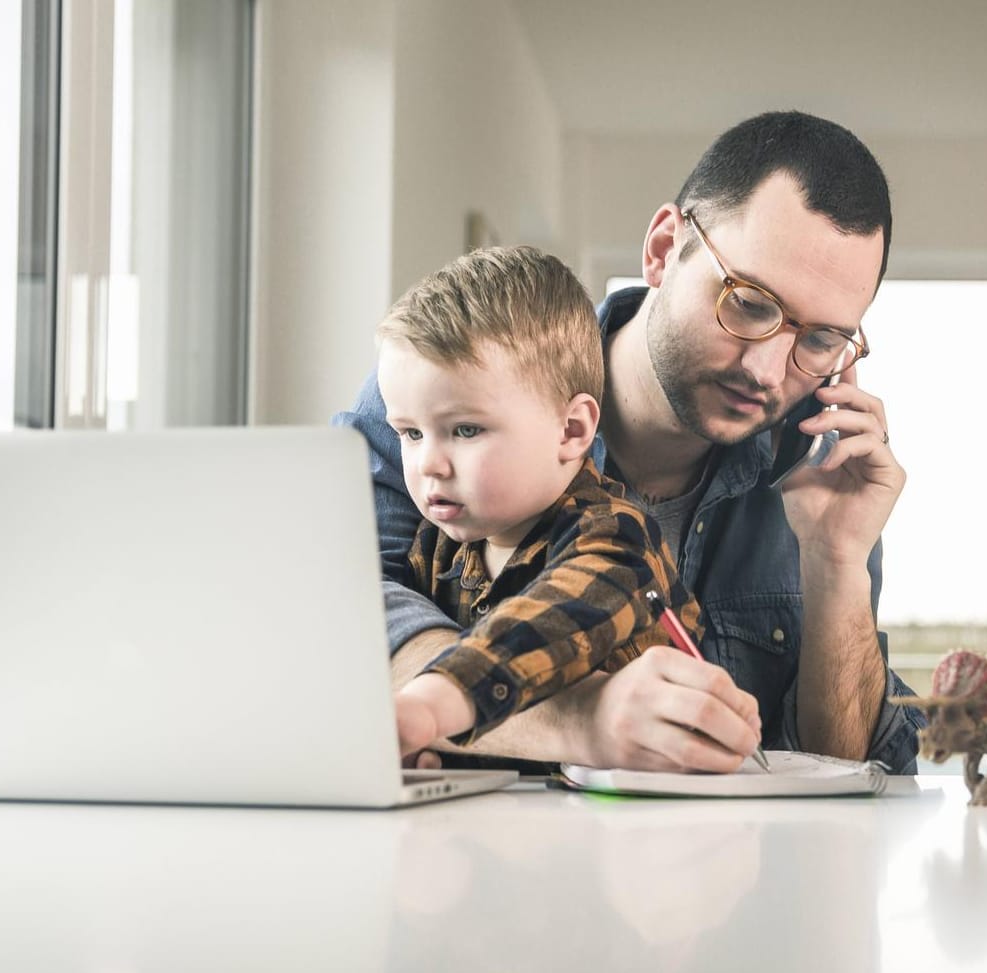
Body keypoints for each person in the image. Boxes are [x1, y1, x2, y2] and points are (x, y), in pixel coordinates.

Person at [337, 110, 926, 773]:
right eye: (750, 303)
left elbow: (835, 773)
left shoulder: (825, 475)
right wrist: (579, 720)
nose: (766, 370)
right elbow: (341, 613)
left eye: (819, 340)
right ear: (662, 248)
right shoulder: (448, 397)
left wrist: (837, 563)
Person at [373, 246, 732, 760]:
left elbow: (550, 622)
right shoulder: (436, 548)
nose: (429, 463)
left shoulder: (616, 536)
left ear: (571, 430)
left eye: (465, 430)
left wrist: (432, 705)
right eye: (409, 433)